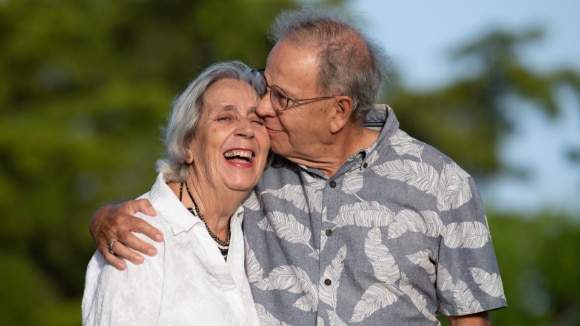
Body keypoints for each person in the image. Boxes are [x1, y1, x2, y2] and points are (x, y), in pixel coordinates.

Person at [89, 8, 507, 325]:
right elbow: (187, 191)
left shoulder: (444, 186)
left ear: (338, 112)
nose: (263, 108)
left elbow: (471, 319)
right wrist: (106, 218)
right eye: (265, 84)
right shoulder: (256, 161)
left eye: (282, 98)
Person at [82, 61, 269, 325]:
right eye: (225, 117)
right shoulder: (140, 238)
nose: (247, 130)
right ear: (186, 145)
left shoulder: (261, 224)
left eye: (257, 120)